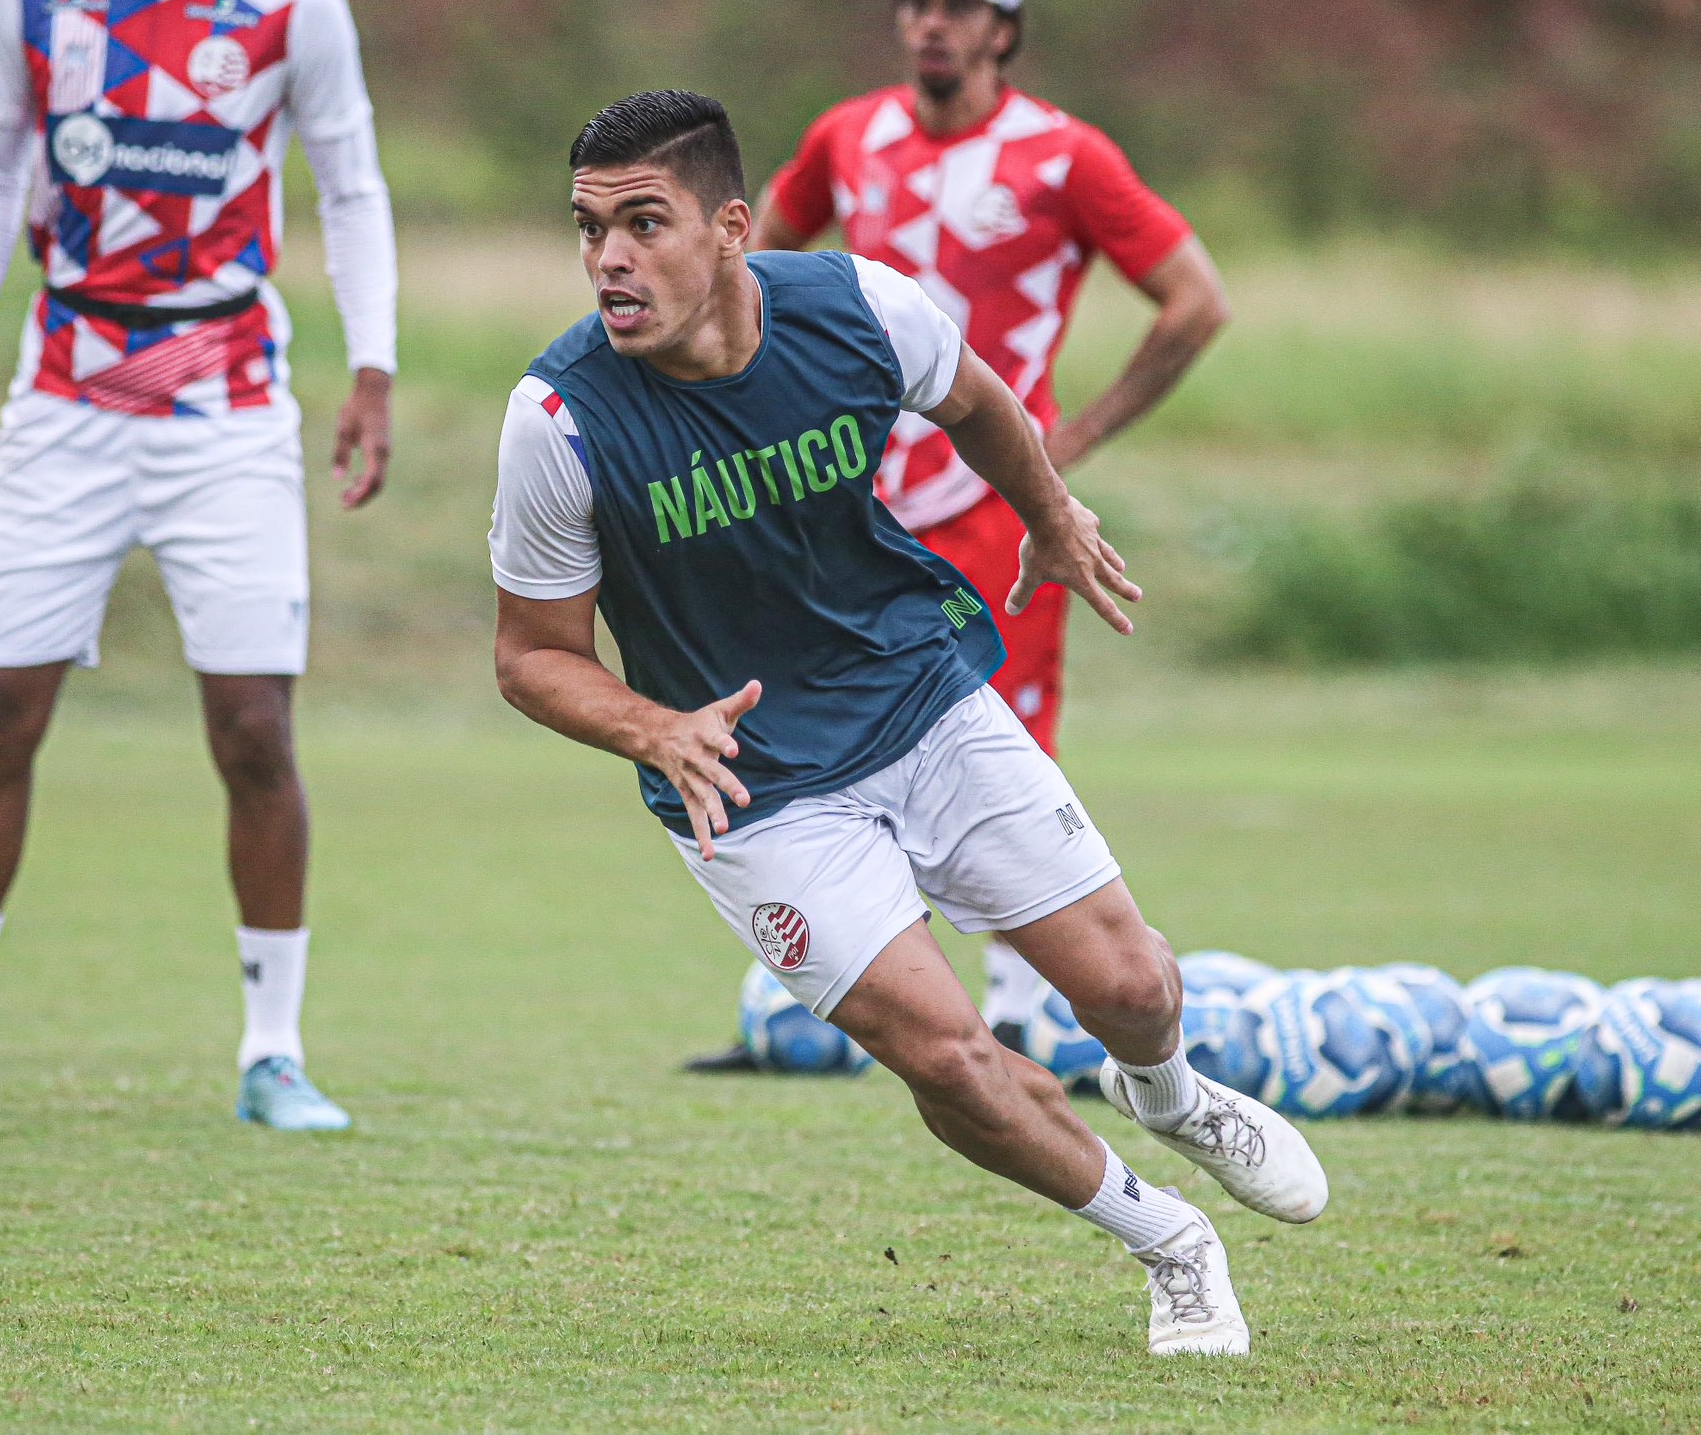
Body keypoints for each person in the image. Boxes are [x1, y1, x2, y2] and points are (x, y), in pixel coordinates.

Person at [490, 89, 1325, 1355]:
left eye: (641, 223)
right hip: (755, 788)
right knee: (944, 1057)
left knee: (1133, 983)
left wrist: (1049, 515)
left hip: (919, 699)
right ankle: (1171, 1243)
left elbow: (981, 403)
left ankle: (1168, 1094)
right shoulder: (559, 420)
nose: (608, 258)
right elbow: (529, 656)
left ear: (727, 227)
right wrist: (648, 726)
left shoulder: (856, 309)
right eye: (588, 228)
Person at [0, 0, 396, 1131]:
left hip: (222, 394)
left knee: (251, 728)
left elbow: (351, 186)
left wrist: (372, 371)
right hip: (67, 389)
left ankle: (272, 1053)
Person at [708, 0, 1230, 1053]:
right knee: (818, 710)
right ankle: (861, 969)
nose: (929, 24)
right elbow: (741, 276)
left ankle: (1014, 1003)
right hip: (849, 499)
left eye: (955, 5)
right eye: (913, 2)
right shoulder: (848, 137)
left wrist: (1065, 447)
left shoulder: (1065, 156)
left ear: (1004, 27)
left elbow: (1196, 301)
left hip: (994, 505)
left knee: (1000, 731)